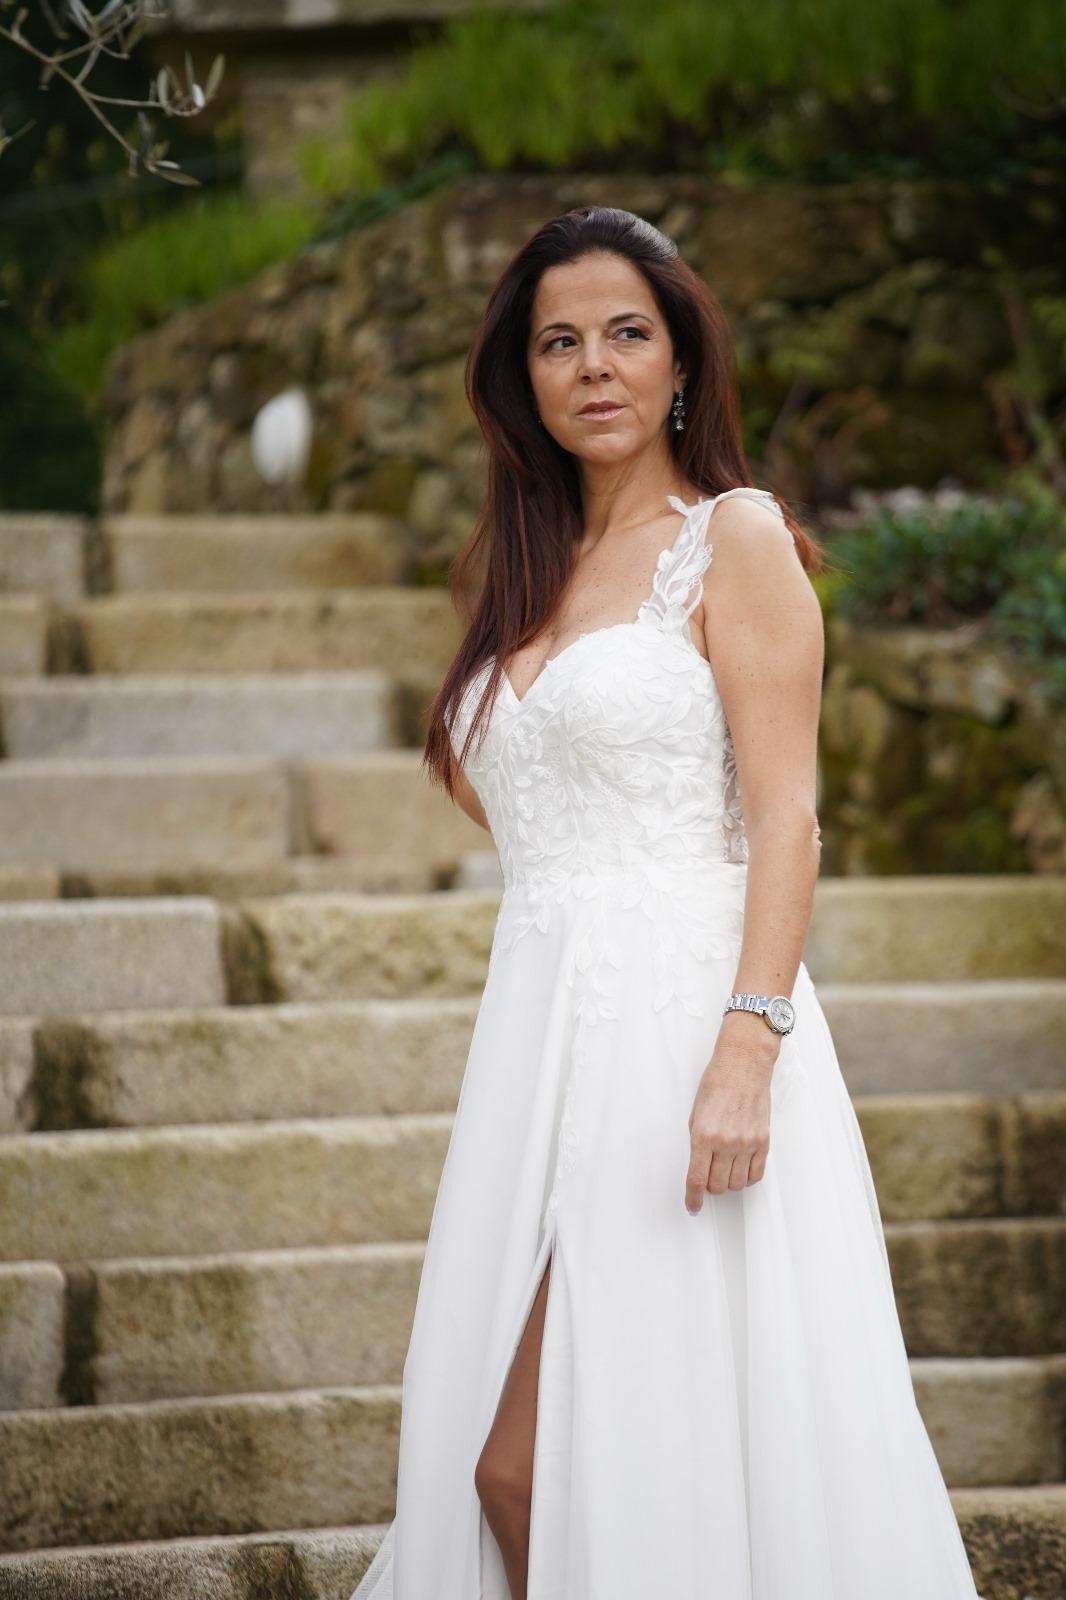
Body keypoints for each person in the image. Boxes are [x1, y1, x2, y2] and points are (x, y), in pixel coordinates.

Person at [350, 206, 982, 1599]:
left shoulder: (733, 538)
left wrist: (746, 1046)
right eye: (557, 342)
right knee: (516, 1466)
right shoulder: (520, 575)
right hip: (542, 1045)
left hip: (685, 1039)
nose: (593, 366)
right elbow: (495, 779)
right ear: (522, 379)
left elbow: (783, 816)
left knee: (551, 1461)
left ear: (680, 362)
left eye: (626, 334)